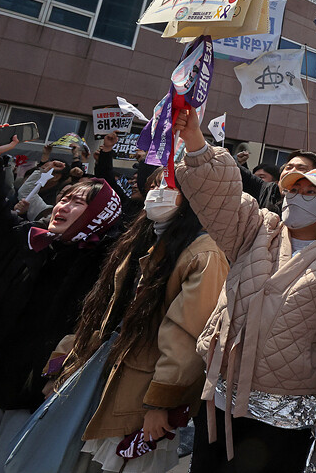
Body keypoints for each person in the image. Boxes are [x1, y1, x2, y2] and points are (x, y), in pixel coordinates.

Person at [170, 111, 316, 473]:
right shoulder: (257, 229)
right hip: (221, 398)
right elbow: (223, 198)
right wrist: (197, 144)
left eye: (311, 193)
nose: (299, 197)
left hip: (286, 414)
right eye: (294, 189)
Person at [0, 127, 123, 473]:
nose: (63, 205)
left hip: (38, 400)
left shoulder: (106, 264)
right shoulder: (27, 240)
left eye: (78, 201)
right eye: (64, 198)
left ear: (100, 214)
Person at [50, 168, 228, 473]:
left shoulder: (205, 253)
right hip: (108, 376)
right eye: (157, 182)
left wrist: (161, 404)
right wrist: (70, 356)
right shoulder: (143, 237)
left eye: (171, 185)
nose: (158, 190)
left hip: (141, 393)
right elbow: (107, 310)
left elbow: (186, 338)